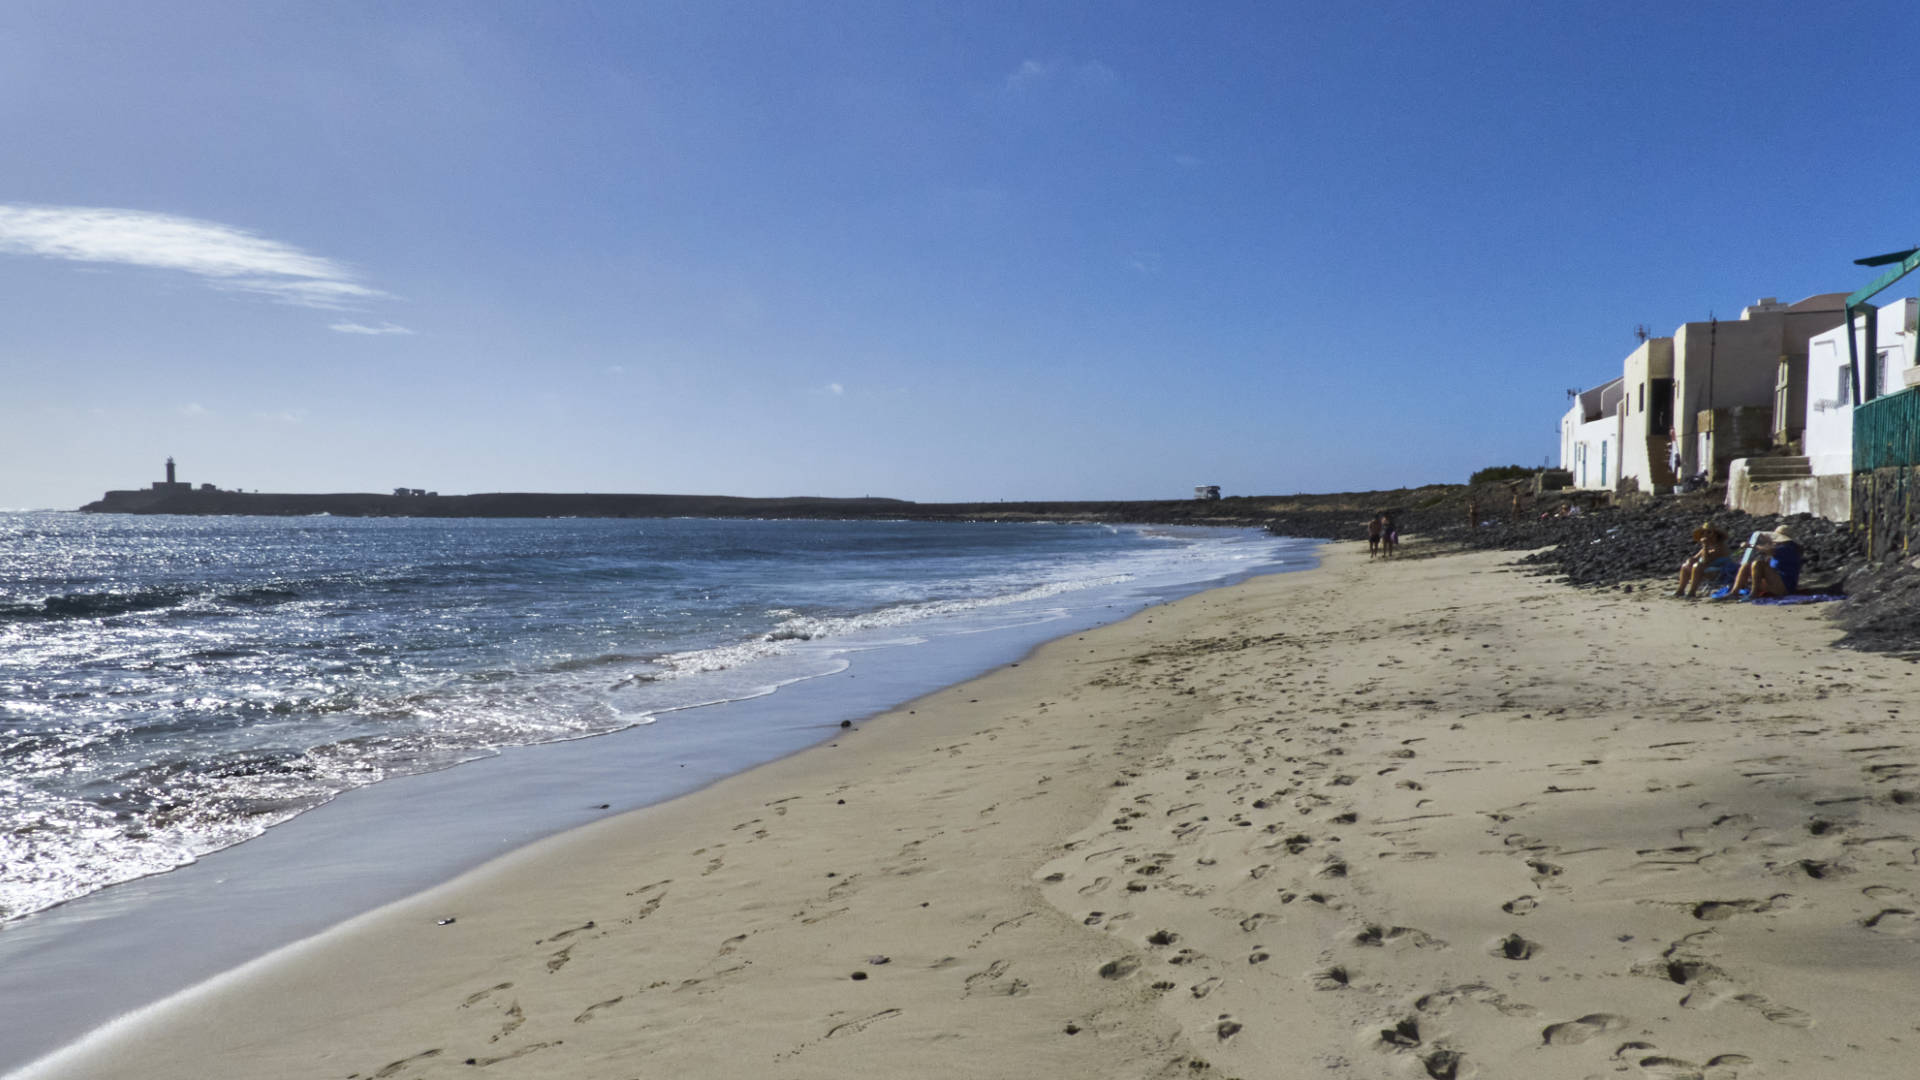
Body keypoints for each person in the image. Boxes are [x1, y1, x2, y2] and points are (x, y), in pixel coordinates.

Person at [1724, 527, 1803, 600]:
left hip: (1785, 586)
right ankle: (1734, 592)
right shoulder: (1782, 548)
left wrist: (1751, 546)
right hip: (1776, 582)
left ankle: (1754, 593)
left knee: (1758, 563)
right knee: (1746, 566)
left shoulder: (1788, 548)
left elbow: (1769, 551)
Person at [1675, 522, 1734, 598]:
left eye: (1709, 532)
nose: (1706, 535)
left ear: (1716, 534)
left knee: (1697, 566)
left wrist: (1705, 546)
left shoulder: (1720, 546)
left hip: (1720, 572)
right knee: (1685, 566)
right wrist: (1690, 561)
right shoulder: (1708, 546)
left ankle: (1692, 592)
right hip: (1708, 569)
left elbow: (1706, 560)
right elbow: (1695, 558)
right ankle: (1680, 590)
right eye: (1704, 533)